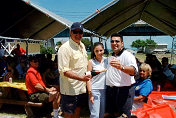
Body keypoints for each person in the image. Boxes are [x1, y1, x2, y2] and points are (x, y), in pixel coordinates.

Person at [58, 22, 91, 118]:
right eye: (75, 32)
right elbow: (64, 71)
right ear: (70, 32)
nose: (78, 35)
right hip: (70, 90)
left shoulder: (82, 45)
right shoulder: (64, 48)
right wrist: (81, 78)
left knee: (77, 110)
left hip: (81, 89)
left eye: (80, 32)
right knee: (68, 114)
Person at [105, 33, 138, 118]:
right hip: (112, 91)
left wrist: (121, 67)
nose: (114, 43)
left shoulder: (127, 55)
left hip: (124, 91)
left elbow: (134, 71)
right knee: (113, 114)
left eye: (117, 41)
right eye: (112, 41)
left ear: (122, 43)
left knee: (123, 116)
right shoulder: (112, 56)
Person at [86, 42, 108, 118]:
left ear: (104, 50)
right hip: (94, 90)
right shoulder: (91, 62)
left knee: (102, 114)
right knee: (95, 115)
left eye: (101, 50)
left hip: (104, 90)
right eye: (96, 51)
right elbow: (88, 79)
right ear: (94, 52)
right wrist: (90, 93)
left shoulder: (107, 60)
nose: (99, 53)